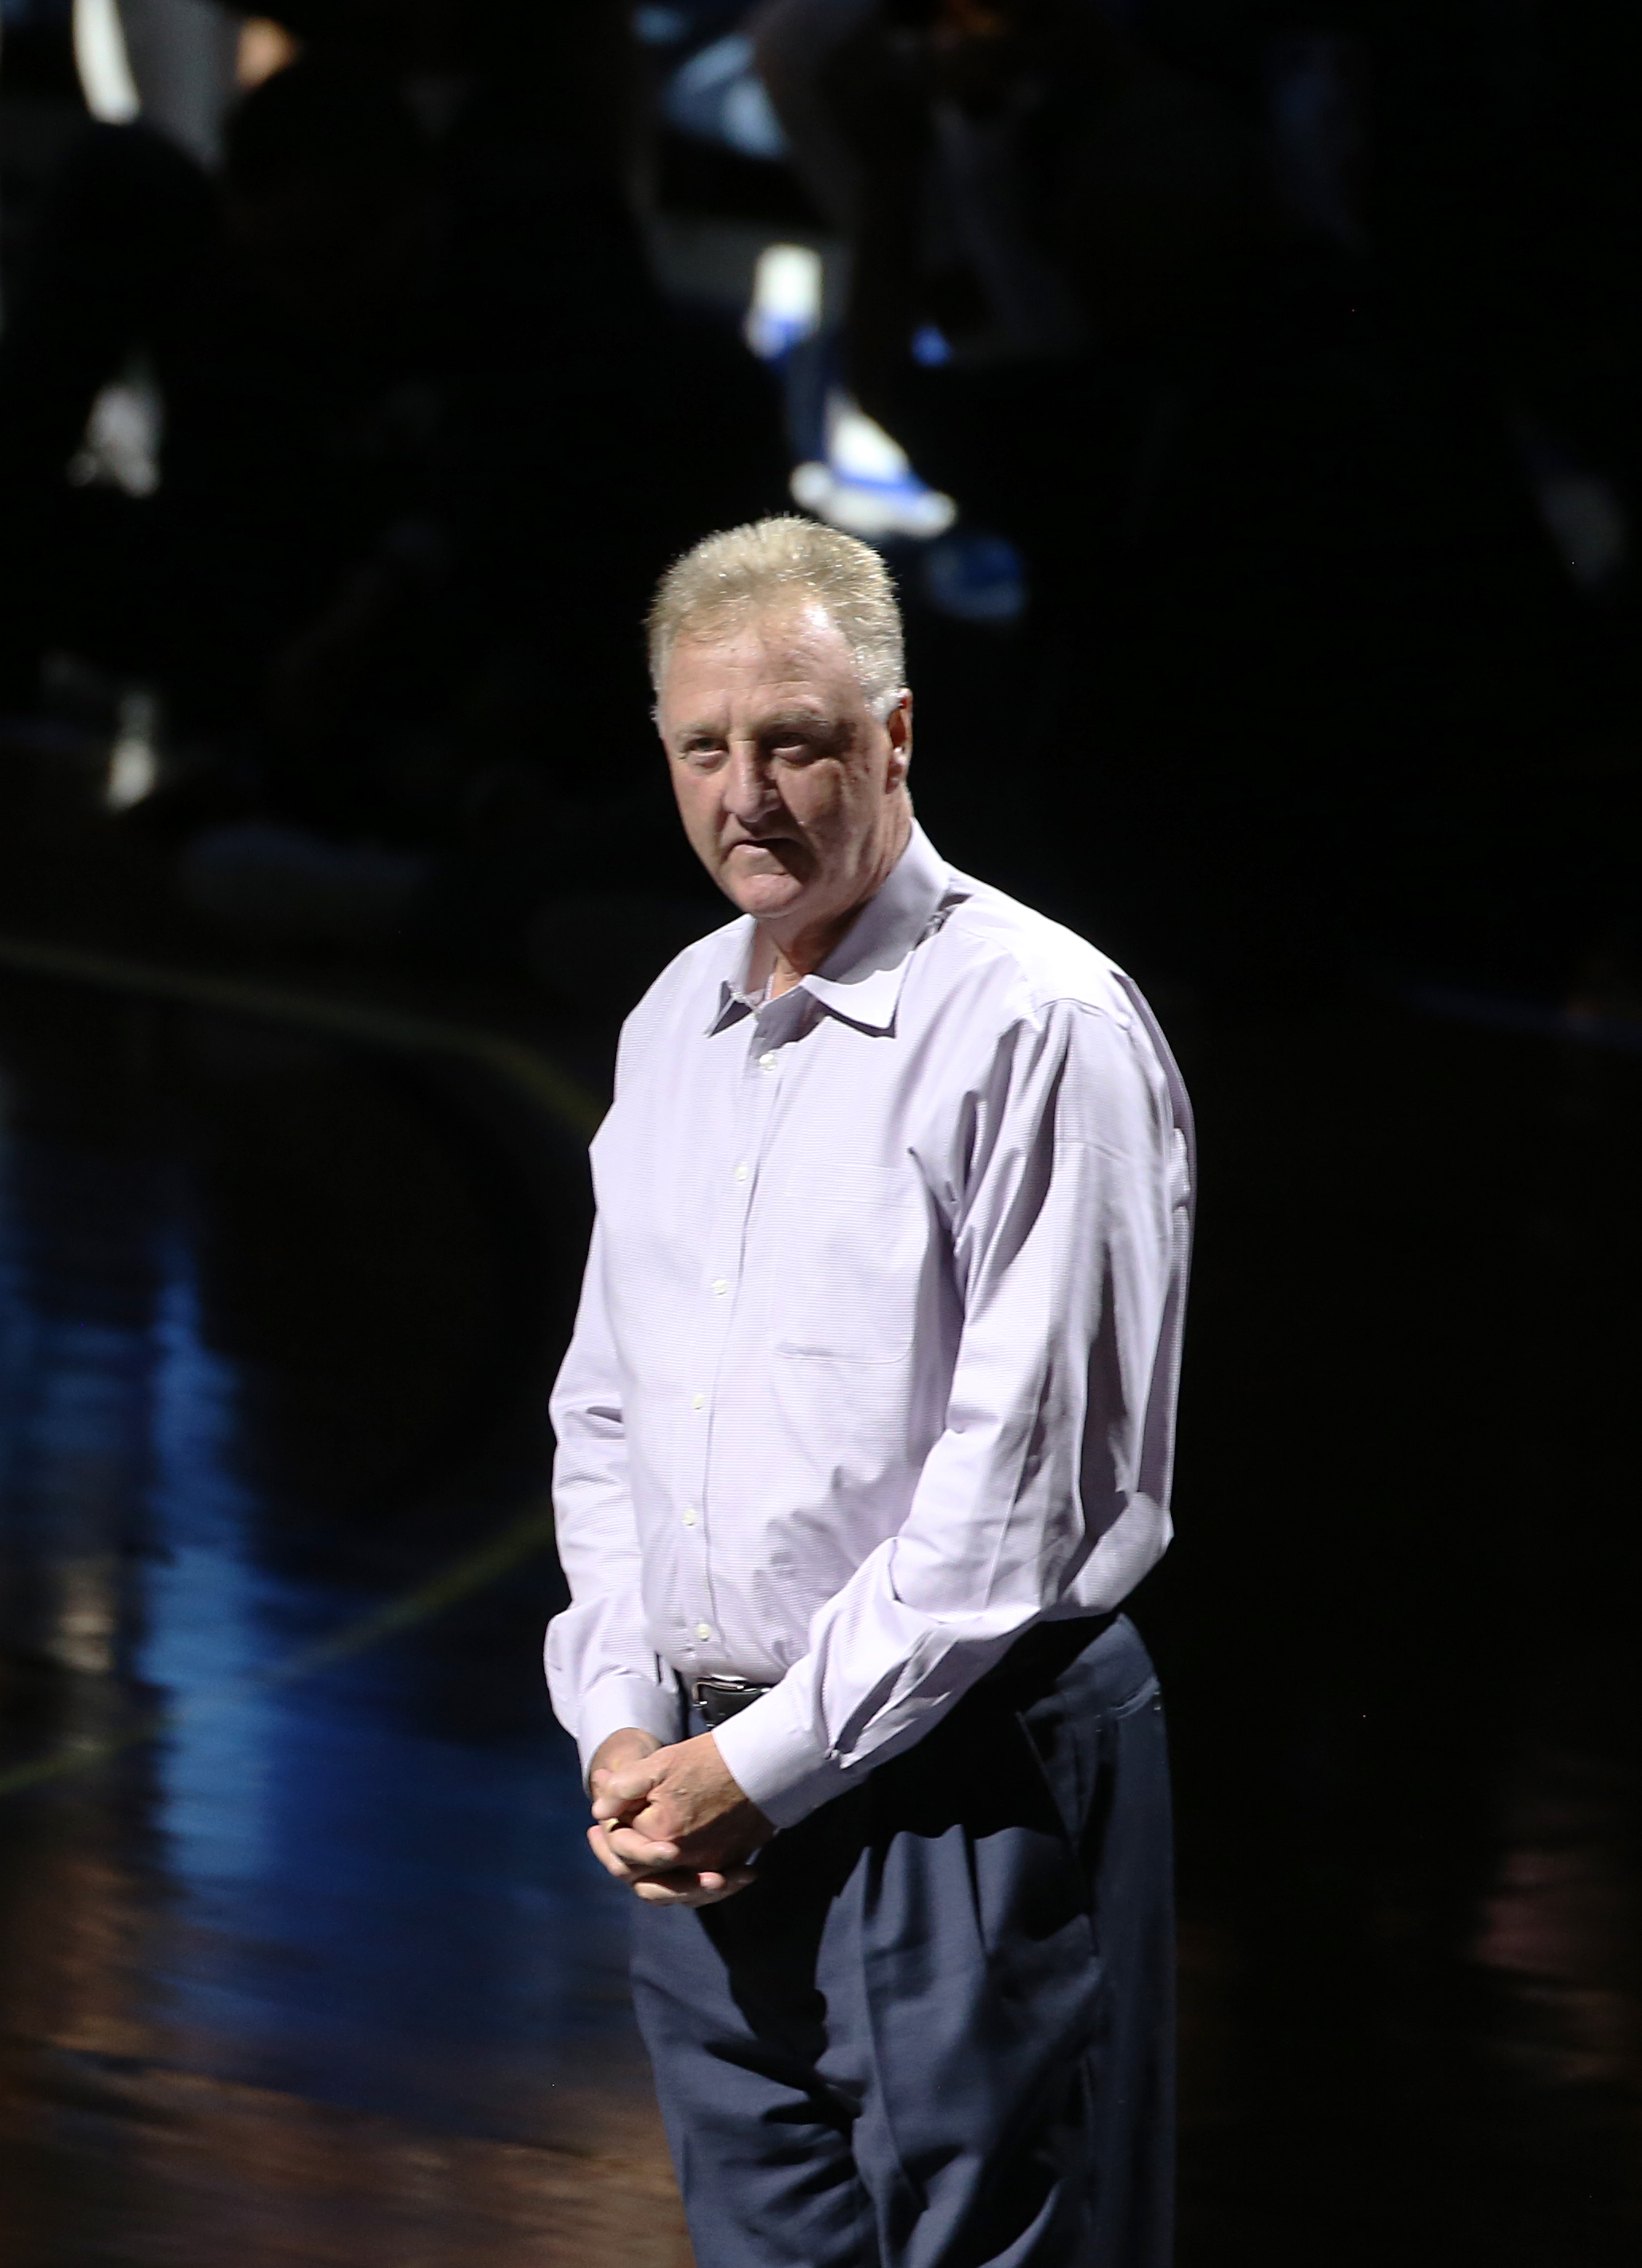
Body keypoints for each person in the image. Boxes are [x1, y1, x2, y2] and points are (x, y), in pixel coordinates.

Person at [547, 515, 1189, 2266]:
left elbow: (1013, 1504)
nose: (744, 791)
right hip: (704, 1800)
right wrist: (623, 1721)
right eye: (704, 748)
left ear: (893, 739)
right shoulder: (671, 1019)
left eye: (794, 742)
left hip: (958, 1787)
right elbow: (605, 1416)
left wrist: (754, 1763)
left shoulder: (1035, 1024)